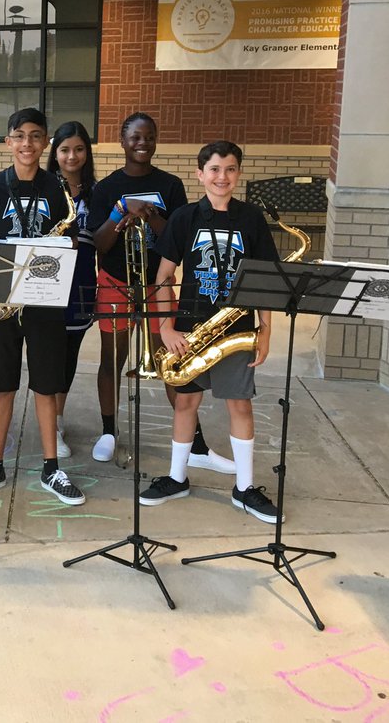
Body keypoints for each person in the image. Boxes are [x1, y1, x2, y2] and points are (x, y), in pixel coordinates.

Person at [138, 140, 282, 523]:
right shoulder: (185, 217)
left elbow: (265, 281)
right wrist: (165, 327)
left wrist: (265, 331)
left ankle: (245, 488)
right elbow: (163, 275)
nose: (222, 177)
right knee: (185, 404)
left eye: (230, 169)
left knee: (240, 405)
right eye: (215, 169)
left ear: (239, 174)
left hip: (237, 328)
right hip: (190, 328)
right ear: (200, 174)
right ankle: (176, 478)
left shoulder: (251, 219)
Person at [0, 108, 86, 506]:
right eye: (20, 136)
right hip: (2, 298)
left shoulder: (58, 189)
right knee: (3, 385)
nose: (27, 143)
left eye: (35, 136)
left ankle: (51, 468)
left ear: (45, 143)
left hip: (44, 298)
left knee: (46, 385)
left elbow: (73, 241)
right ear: (8, 141)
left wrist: (57, 247)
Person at [88, 113, 234, 471]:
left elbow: (181, 240)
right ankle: (108, 431)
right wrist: (121, 211)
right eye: (135, 137)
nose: (143, 143)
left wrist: (150, 216)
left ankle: (195, 443)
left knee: (171, 360)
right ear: (122, 141)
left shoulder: (169, 185)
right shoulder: (106, 188)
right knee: (112, 358)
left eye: (149, 137)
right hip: (117, 281)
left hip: (159, 283)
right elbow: (100, 244)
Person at [45, 121, 96, 459]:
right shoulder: (44, 186)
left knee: (69, 356)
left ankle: (58, 419)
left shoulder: (97, 191)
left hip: (81, 282)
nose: (72, 156)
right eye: (64, 150)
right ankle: (49, 422)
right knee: (49, 354)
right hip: (48, 282)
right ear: (55, 153)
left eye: (79, 149)